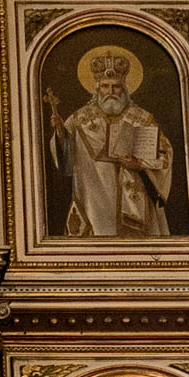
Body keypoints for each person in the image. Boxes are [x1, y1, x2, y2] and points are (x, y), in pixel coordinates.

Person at [47, 46, 175, 236]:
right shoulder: (79, 119)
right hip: (94, 200)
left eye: (116, 86)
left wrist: (140, 164)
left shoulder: (142, 119)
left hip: (135, 204)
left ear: (125, 89)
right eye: (105, 86)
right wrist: (60, 133)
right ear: (97, 89)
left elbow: (165, 156)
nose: (110, 91)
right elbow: (65, 159)